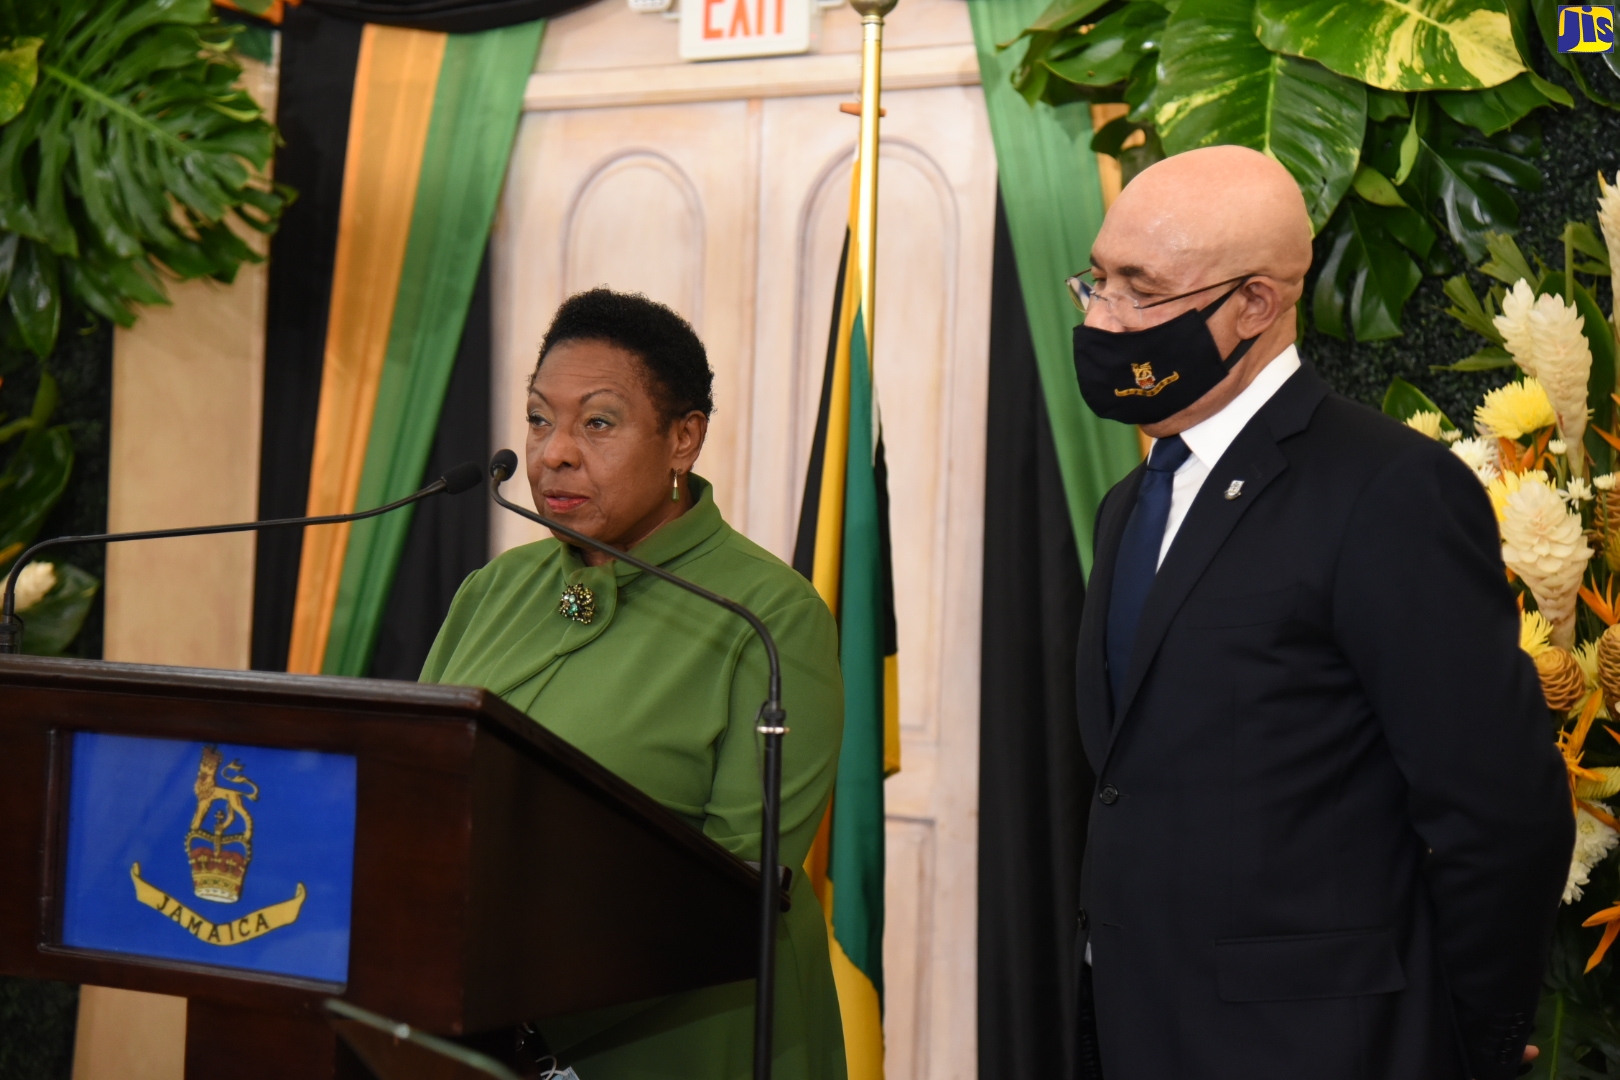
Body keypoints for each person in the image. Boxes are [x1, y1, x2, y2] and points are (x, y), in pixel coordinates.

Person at [1067, 146, 1573, 1080]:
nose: (1102, 317)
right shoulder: (1131, 502)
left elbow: (1499, 812)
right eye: (1095, 281)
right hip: (1135, 1028)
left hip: (1323, 1047)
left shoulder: (1386, 490)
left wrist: (1460, 1043)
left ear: (1254, 305)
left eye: (1139, 290)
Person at [421, 288, 847, 1080]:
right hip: (474, 1029)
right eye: (540, 418)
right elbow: (417, 790)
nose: (553, 454)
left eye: (599, 423)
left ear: (684, 438)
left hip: (683, 1042)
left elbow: (737, 884)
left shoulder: (767, 615)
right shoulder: (493, 591)